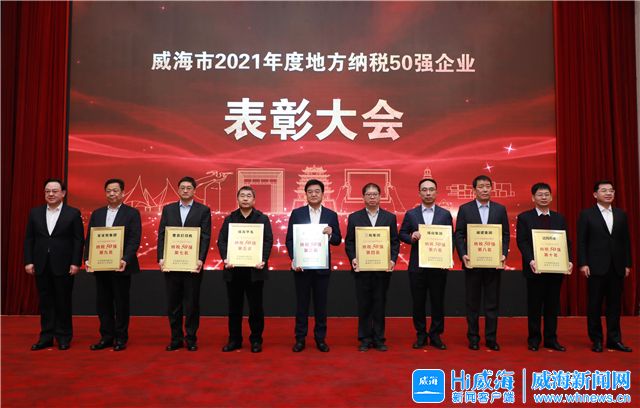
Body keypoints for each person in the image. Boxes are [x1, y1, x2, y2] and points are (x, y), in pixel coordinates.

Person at [24, 178, 84, 350]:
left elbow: (78, 240)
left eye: (55, 191)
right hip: (41, 264)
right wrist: (29, 261)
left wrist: (75, 263)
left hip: (64, 265)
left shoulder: (73, 213)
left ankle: (64, 337)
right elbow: (29, 239)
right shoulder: (35, 212)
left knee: (63, 301)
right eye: (47, 191)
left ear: (63, 193)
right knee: (45, 302)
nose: (51, 194)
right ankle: (46, 337)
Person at [85, 178, 141, 352]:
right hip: (101, 266)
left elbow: (134, 239)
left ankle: (121, 337)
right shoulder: (97, 214)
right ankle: (106, 337)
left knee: (121, 303)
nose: (112, 194)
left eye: (115, 191)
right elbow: (90, 238)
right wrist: (88, 258)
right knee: (103, 303)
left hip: (121, 266)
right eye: (108, 191)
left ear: (123, 193)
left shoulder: (132, 213)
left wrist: (125, 259)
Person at [454, 175, 509, 351]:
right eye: (481, 186)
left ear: (491, 188)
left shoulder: (500, 209)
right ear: (474, 190)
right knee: (472, 304)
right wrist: (463, 255)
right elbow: (459, 234)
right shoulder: (465, 209)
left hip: (493, 264)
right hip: (473, 264)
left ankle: (491, 339)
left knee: (492, 303)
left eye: (487, 186)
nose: (485, 189)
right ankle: (473, 338)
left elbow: (505, 235)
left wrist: (503, 254)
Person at [285, 179, 341, 352]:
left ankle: (320, 339)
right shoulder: (297, 213)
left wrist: (331, 233)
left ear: (323, 194)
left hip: (322, 268)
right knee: (301, 305)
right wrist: (295, 259)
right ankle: (300, 339)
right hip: (302, 268)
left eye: (317, 191)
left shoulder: (331, 215)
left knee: (321, 305)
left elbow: (337, 240)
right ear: (306, 194)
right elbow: (290, 239)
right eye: (310, 192)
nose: (314, 194)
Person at [516, 182, 572, 352]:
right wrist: (531, 260)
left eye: (547, 194)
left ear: (551, 197)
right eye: (540, 195)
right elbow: (522, 242)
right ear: (533, 198)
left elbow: (566, 242)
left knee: (552, 306)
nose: (544, 197)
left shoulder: (559, 218)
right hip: (535, 269)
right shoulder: (525, 217)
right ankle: (534, 339)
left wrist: (568, 260)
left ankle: (551, 339)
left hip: (556, 269)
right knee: (534, 306)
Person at [157, 176, 211, 351]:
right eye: (182, 188)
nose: (185, 190)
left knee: (192, 304)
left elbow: (205, 237)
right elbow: (162, 235)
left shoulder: (203, 210)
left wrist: (200, 259)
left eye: (189, 188)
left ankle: (191, 338)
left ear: (194, 191)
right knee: (173, 304)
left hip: (193, 265)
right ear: (178, 190)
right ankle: (176, 338)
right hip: (172, 264)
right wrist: (161, 257)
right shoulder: (168, 209)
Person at [578, 180, 633, 353]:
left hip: (616, 266)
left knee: (614, 305)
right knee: (594, 305)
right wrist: (583, 263)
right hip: (595, 266)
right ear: (595, 194)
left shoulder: (621, 214)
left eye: (611, 190)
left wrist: (627, 263)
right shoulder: (587, 214)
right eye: (604, 190)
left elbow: (626, 241)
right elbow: (581, 241)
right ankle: (596, 340)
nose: (608, 193)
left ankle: (614, 339)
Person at [217, 186, 273, 353]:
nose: (245, 198)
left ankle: (256, 340)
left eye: (249, 196)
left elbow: (268, 241)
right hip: (234, 270)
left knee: (256, 308)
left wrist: (263, 259)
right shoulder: (230, 219)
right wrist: (226, 258)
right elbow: (222, 241)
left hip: (255, 271)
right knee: (234, 308)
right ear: (238, 199)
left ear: (254, 200)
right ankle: (234, 340)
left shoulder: (262, 219)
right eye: (242, 195)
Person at [399, 178, 453, 350]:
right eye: (424, 190)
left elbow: (450, 238)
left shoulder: (445, 214)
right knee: (418, 303)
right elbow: (402, 234)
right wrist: (411, 237)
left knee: (438, 302)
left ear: (436, 192)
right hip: (417, 267)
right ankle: (421, 334)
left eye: (431, 189)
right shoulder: (411, 214)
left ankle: (436, 335)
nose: (428, 193)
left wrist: (447, 259)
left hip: (438, 266)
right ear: (419, 193)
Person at [345, 183, 400, 352]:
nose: (372, 197)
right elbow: (349, 242)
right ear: (363, 197)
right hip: (362, 270)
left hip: (382, 270)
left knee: (379, 304)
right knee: (364, 305)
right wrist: (353, 258)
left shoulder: (389, 217)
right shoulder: (354, 217)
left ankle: (379, 338)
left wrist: (392, 260)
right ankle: (365, 338)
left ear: (380, 196)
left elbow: (394, 242)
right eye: (368, 194)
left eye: (375, 194)